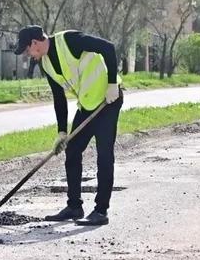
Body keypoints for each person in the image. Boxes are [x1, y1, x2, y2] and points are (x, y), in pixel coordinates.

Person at [14, 25, 123, 226]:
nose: (28, 55)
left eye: (27, 50)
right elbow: (59, 98)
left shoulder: (70, 40)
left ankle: (101, 211)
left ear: (35, 43)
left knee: (104, 155)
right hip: (88, 105)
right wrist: (62, 131)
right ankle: (74, 206)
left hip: (108, 102)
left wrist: (112, 84)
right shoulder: (45, 64)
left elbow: (108, 47)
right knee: (72, 150)